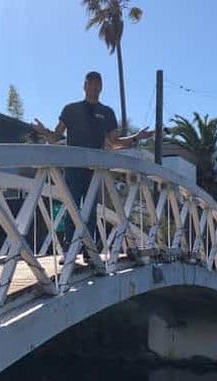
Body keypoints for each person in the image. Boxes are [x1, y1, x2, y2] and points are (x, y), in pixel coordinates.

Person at [32, 71, 152, 259]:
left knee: (90, 210)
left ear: (101, 87)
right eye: (90, 84)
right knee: (71, 207)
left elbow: (114, 142)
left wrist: (137, 137)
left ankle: (89, 251)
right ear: (84, 86)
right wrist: (42, 131)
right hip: (72, 167)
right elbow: (56, 137)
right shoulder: (70, 110)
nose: (93, 87)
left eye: (97, 84)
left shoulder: (107, 112)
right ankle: (68, 251)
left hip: (94, 169)